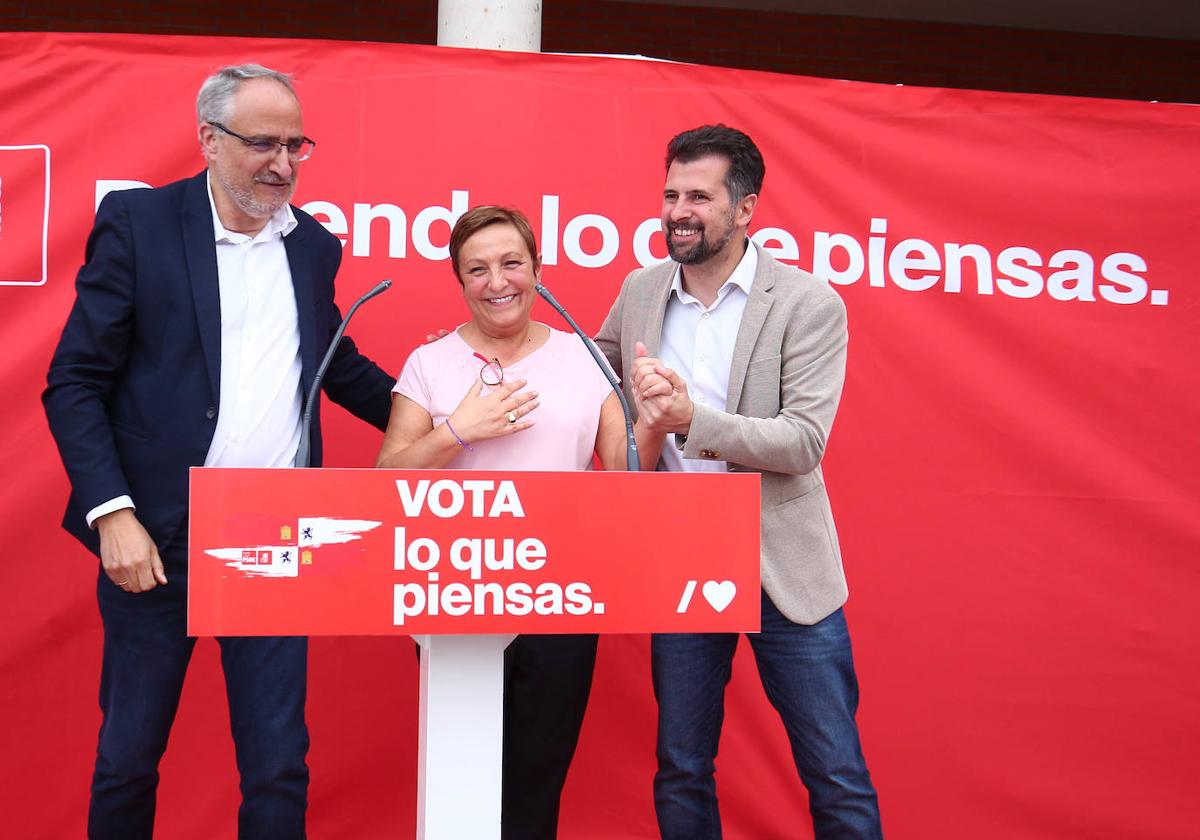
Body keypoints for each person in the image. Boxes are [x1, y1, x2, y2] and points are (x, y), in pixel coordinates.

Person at [42, 64, 395, 840]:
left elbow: (335, 365)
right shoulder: (140, 224)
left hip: (277, 536)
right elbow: (74, 382)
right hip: (156, 534)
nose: (283, 163)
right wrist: (113, 515)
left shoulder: (312, 248)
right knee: (128, 760)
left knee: (277, 768)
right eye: (263, 143)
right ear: (208, 139)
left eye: (296, 144)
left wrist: (440, 410)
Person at [595, 125, 883, 839]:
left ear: (745, 210)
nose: (677, 211)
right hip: (683, 557)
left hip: (782, 563)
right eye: (669, 195)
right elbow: (591, 376)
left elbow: (802, 441)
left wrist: (695, 418)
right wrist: (492, 356)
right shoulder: (641, 289)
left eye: (699, 196)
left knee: (836, 775)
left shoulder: (808, 302)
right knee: (682, 765)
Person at [376, 205, 635, 839]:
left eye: (512, 263)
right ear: (459, 281)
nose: (498, 281)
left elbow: (629, 478)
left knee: (534, 784)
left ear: (538, 271)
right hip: (459, 593)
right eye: (478, 269)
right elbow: (386, 482)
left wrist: (650, 420)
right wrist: (460, 431)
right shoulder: (431, 363)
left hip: (563, 599)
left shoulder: (583, 358)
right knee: (463, 784)